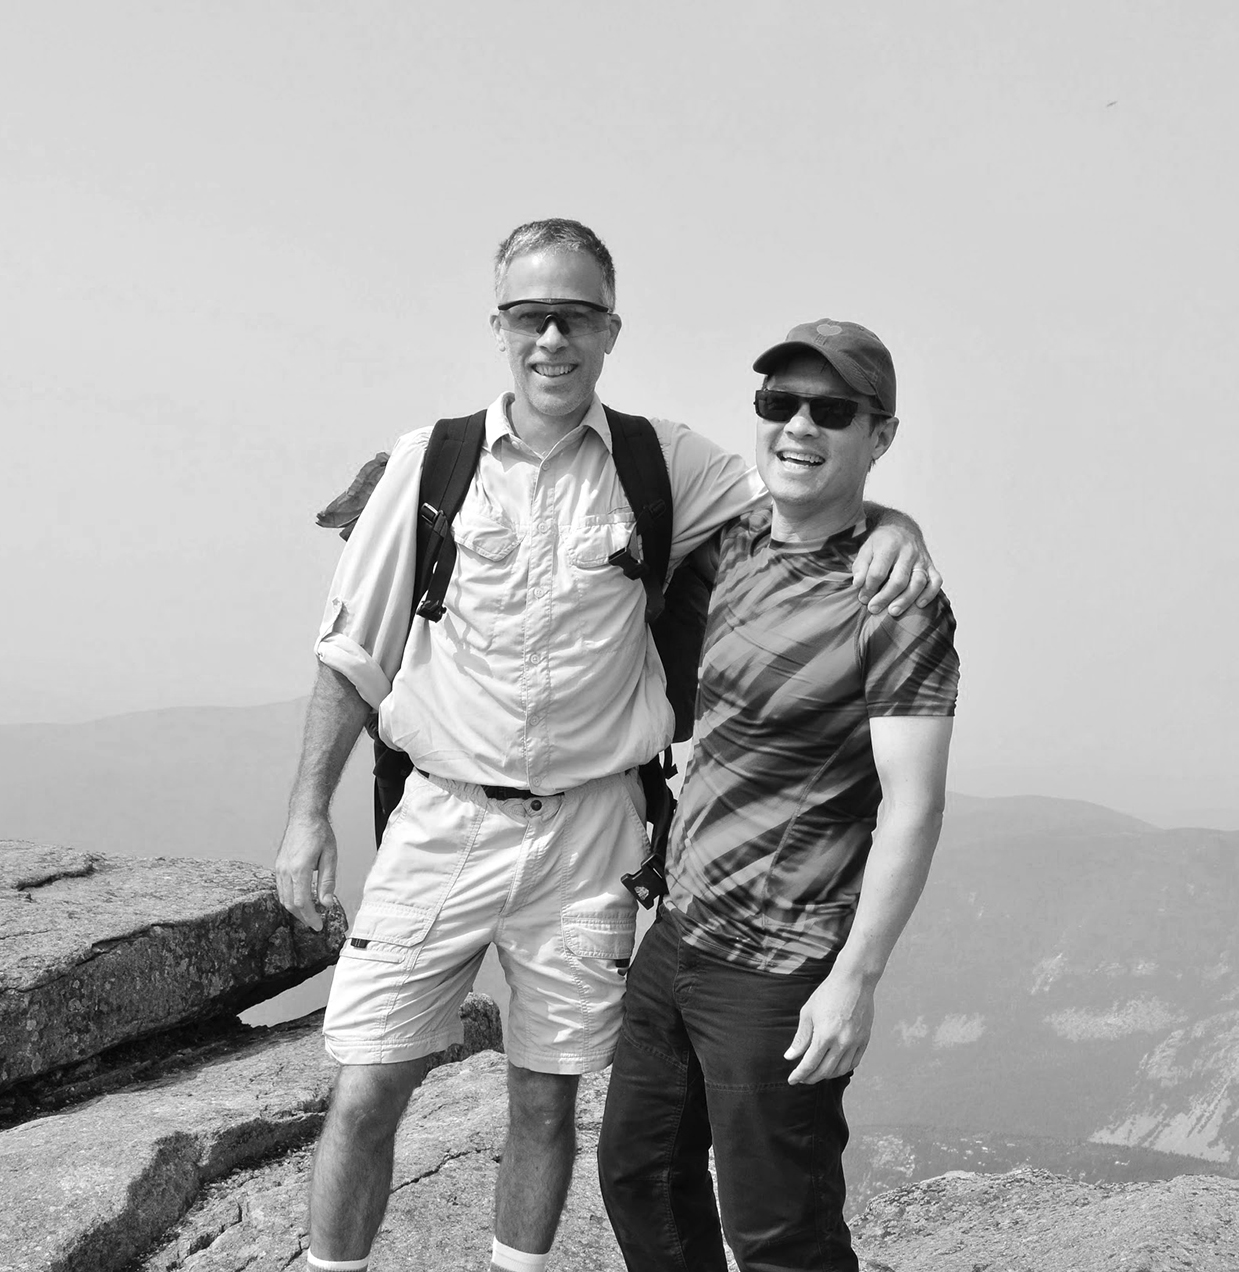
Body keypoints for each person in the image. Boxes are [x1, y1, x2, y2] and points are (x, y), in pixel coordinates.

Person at [272, 224, 942, 1272]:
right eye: (531, 315)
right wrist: (309, 814)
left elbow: (810, 499)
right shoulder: (433, 463)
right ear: (500, 327)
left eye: (576, 316)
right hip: (450, 821)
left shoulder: (664, 463)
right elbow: (351, 652)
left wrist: (899, 528)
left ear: (610, 330)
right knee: (374, 1089)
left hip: (595, 834)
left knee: (552, 1104)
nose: (553, 337)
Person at [597, 320, 959, 1272]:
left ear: (880, 436)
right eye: (779, 404)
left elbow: (914, 806)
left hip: (780, 967)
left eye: (832, 412)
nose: (799, 426)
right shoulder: (737, 541)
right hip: (677, 935)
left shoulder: (895, 602)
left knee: (778, 1231)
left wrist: (856, 981)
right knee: (638, 1178)